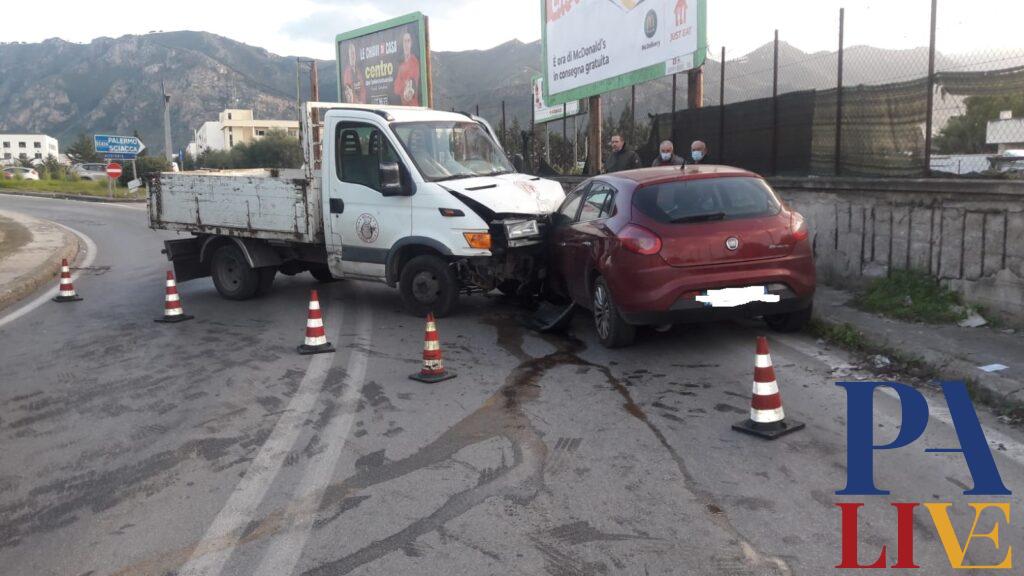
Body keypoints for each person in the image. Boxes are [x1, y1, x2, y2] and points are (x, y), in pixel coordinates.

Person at [393, 31, 421, 106]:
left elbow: (411, 82)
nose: (406, 44)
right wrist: (404, 84)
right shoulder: (401, 64)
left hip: (414, 107)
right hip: (404, 108)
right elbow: (396, 89)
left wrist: (402, 84)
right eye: (404, 41)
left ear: (411, 43)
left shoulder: (414, 61)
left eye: (408, 41)